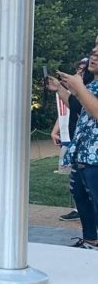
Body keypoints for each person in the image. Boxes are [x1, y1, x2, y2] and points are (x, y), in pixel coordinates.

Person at [59, 47, 98, 249]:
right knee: (81, 198)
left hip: (96, 157)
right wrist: (61, 88)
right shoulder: (92, 85)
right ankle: (91, 240)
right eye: (94, 51)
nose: (94, 55)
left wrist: (79, 88)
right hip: (84, 154)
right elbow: (78, 107)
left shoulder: (87, 87)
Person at [48, 58, 91, 222]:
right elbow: (74, 105)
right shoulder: (82, 91)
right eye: (78, 69)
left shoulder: (91, 90)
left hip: (91, 151)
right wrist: (59, 88)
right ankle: (90, 240)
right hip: (79, 149)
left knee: (91, 192)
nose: (79, 73)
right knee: (78, 191)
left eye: (83, 70)